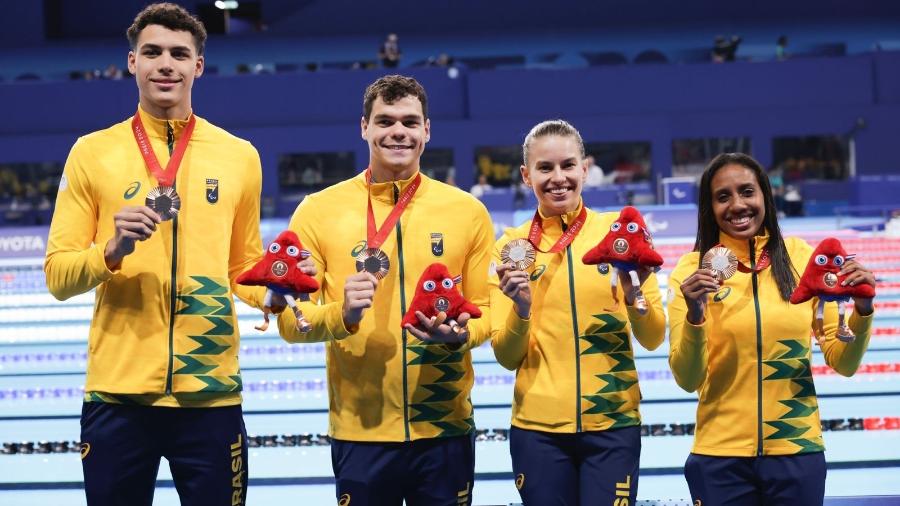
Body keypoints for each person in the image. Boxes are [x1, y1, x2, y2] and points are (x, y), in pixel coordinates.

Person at [44, 4, 269, 505]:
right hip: (117, 396)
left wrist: (280, 292)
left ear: (198, 66)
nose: (165, 63)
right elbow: (58, 277)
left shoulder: (239, 155)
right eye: (153, 52)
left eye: (178, 53)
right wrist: (111, 250)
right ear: (132, 62)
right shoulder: (92, 152)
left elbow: (243, 269)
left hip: (211, 393)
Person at [277, 74, 494, 506]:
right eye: (385, 121)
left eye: (411, 122)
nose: (398, 131)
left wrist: (461, 335)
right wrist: (342, 315)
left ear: (427, 131)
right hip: (361, 431)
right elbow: (290, 320)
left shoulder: (467, 212)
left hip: (444, 429)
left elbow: (489, 311)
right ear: (364, 127)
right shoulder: (318, 212)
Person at [668, 152, 876, 505]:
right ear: (709, 206)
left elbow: (844, 363)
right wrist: (695, 316)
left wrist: (863, 309)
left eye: (747, 192)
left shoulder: (800, 259)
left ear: (765, 195)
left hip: (796, 449)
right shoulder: (691, 272)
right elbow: (688, 379)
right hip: (720, 456)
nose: (738, 205)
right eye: (723, 196)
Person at [491, 120, 665, 504]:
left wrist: (635, 294)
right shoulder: (510, 247)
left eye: (568, 165)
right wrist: (520, 310)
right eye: (545, 168)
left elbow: (653, 338)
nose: (558, 178)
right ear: (526, 174)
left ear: (585, 168)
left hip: (613, 424)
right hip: (537, 430)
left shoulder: (620, 236)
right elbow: (505, 356)